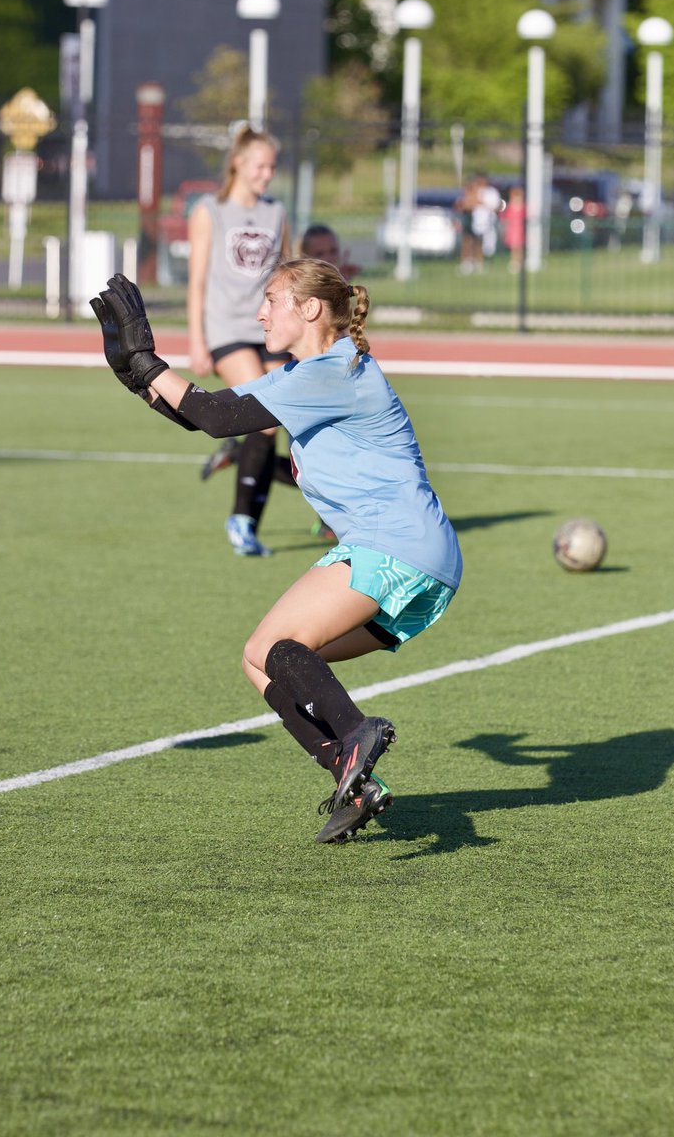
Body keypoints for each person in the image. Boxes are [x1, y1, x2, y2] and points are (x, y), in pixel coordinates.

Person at [91, 265, 463, 845]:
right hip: (423, 561)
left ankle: (356, 732)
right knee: (259, 659)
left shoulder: (330, 372)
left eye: (271, 300)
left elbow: (215, 418)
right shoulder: (309, 374)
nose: (260, 313)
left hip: (395, 544)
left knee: (279, 646)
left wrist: (150, 363)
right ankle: (354, 778)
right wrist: (138, 377)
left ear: (311, 310)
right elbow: (208, 413)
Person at [203, 221, 359, 543]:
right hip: (303, 380)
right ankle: (247, 519)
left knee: (318, 455)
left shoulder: (337, 290)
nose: (328, 258)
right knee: (296, 447)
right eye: (319, 253)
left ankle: (331, 516)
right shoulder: (299, 294)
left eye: (332, 251)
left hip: (321, 386)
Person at [188, 122, 291, 557]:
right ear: (238, 163)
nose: (267, 174)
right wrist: (196, 339)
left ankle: (236, 453)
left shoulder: (277, 213)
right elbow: (196, 282)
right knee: (264, 420)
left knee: (287, 418)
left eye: (272, 167)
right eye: (260, 166)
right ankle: (242, 522)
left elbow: (289, 276)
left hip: (269, 328)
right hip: (226, 327)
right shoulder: (209, 210)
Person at [501, 185, 526, 273]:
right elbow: (505, 218)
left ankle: (520, 261)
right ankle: (514, 261)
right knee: (514, 247)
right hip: (512, 229)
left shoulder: (522, 207)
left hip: (519, 229)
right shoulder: (510, 207)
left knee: (519, 247)